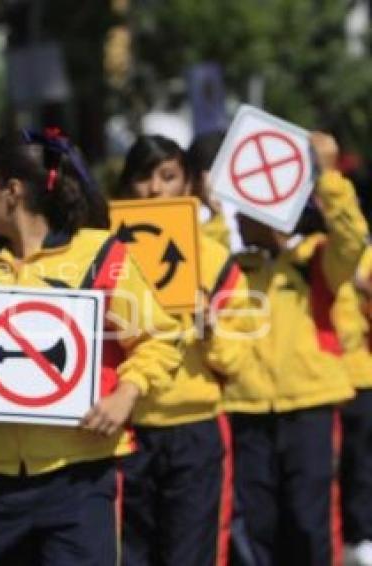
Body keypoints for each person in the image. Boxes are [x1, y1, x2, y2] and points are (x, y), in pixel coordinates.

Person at [0, 129, 183, 566]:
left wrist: (126, 394)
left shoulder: (101, 256)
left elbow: (157, 339)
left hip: (80, 476)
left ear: (12, 191)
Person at [226, 132, 367, 565]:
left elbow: (352, 238)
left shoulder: (317, 258)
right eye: (245, 209)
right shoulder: (230, 268)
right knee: (256, 526)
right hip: (246, 409)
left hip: (311, 406)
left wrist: (327, 176)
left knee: (310, 523)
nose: (252, 219)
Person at [112, 135, 253, 566]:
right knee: (129, 554)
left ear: (188, 185)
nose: (155, 189)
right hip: (125, 430)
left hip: (195, 429)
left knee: (192, 554)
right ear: (127, 187)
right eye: (143, 177)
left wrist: (210, 330)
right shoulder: (102, 255)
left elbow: (237, 361)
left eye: (168, 176)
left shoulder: (214, 260)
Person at [333, 248, 372, 566]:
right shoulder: (313, 252)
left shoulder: (367, 256)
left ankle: (360, 535)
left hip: (362, 376)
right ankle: (354, 536)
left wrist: (364, 286)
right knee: (348, 463)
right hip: (333, 379)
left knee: (361, 462)